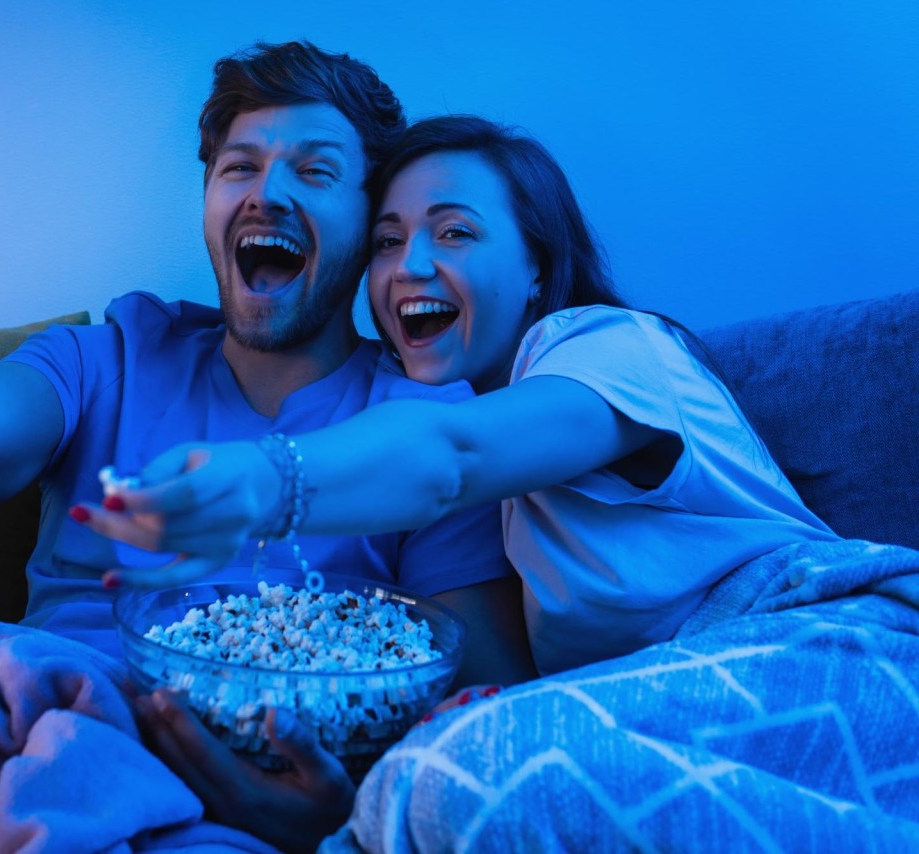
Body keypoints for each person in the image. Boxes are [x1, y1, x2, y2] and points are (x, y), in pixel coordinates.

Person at [0, 46, 536, 851]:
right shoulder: (110, 359)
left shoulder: (424, 430)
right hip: (13, 736)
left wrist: (341, 816)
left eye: (315, 173)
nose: (268, 194)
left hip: (231, 808)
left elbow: (487, 713)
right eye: (239, 168)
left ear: (370, 222)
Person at [79, 117, 919, 848]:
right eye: (386, 241)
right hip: (678, 710)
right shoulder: (500, 484)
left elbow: (453, 457)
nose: (409, 265)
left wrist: (264, 482)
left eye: (454, 233)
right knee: (424, 780)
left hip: (839, 645)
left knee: (448, 777)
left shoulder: (609, 347)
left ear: (537, 269)